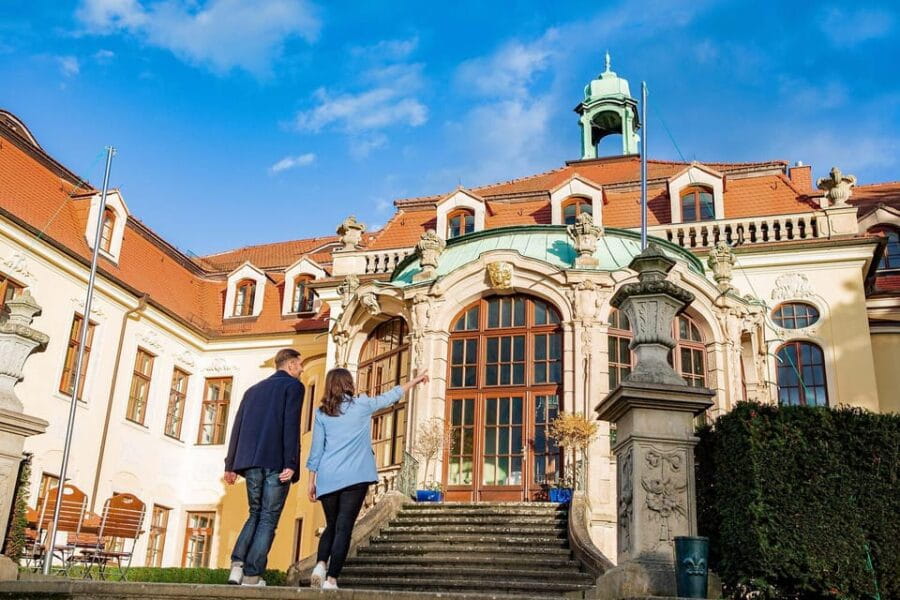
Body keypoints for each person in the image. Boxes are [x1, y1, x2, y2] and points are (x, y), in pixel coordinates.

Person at [307, 367, 429, 590]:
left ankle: (320, 565)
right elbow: (392, 395)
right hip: (355, 476)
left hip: (328, 476)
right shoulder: (361, 405)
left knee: (331, 525)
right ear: (348, 384)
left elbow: (316, 450)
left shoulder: (321, 413)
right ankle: (331, 580)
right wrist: (416, 380)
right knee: (344, 527)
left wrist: (311, 481)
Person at [224, 348, 305, 587]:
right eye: (299, 365)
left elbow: (237, 426)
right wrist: (291, 462)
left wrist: (230, 464)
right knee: (268, 518)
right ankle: (252, 575)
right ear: (290, 365)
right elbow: (291, 425)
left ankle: (237, 567)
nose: (301, 369)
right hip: (276, 462)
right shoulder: (293, 387)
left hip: (250, 462)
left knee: (255, 513)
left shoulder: (252, 391)